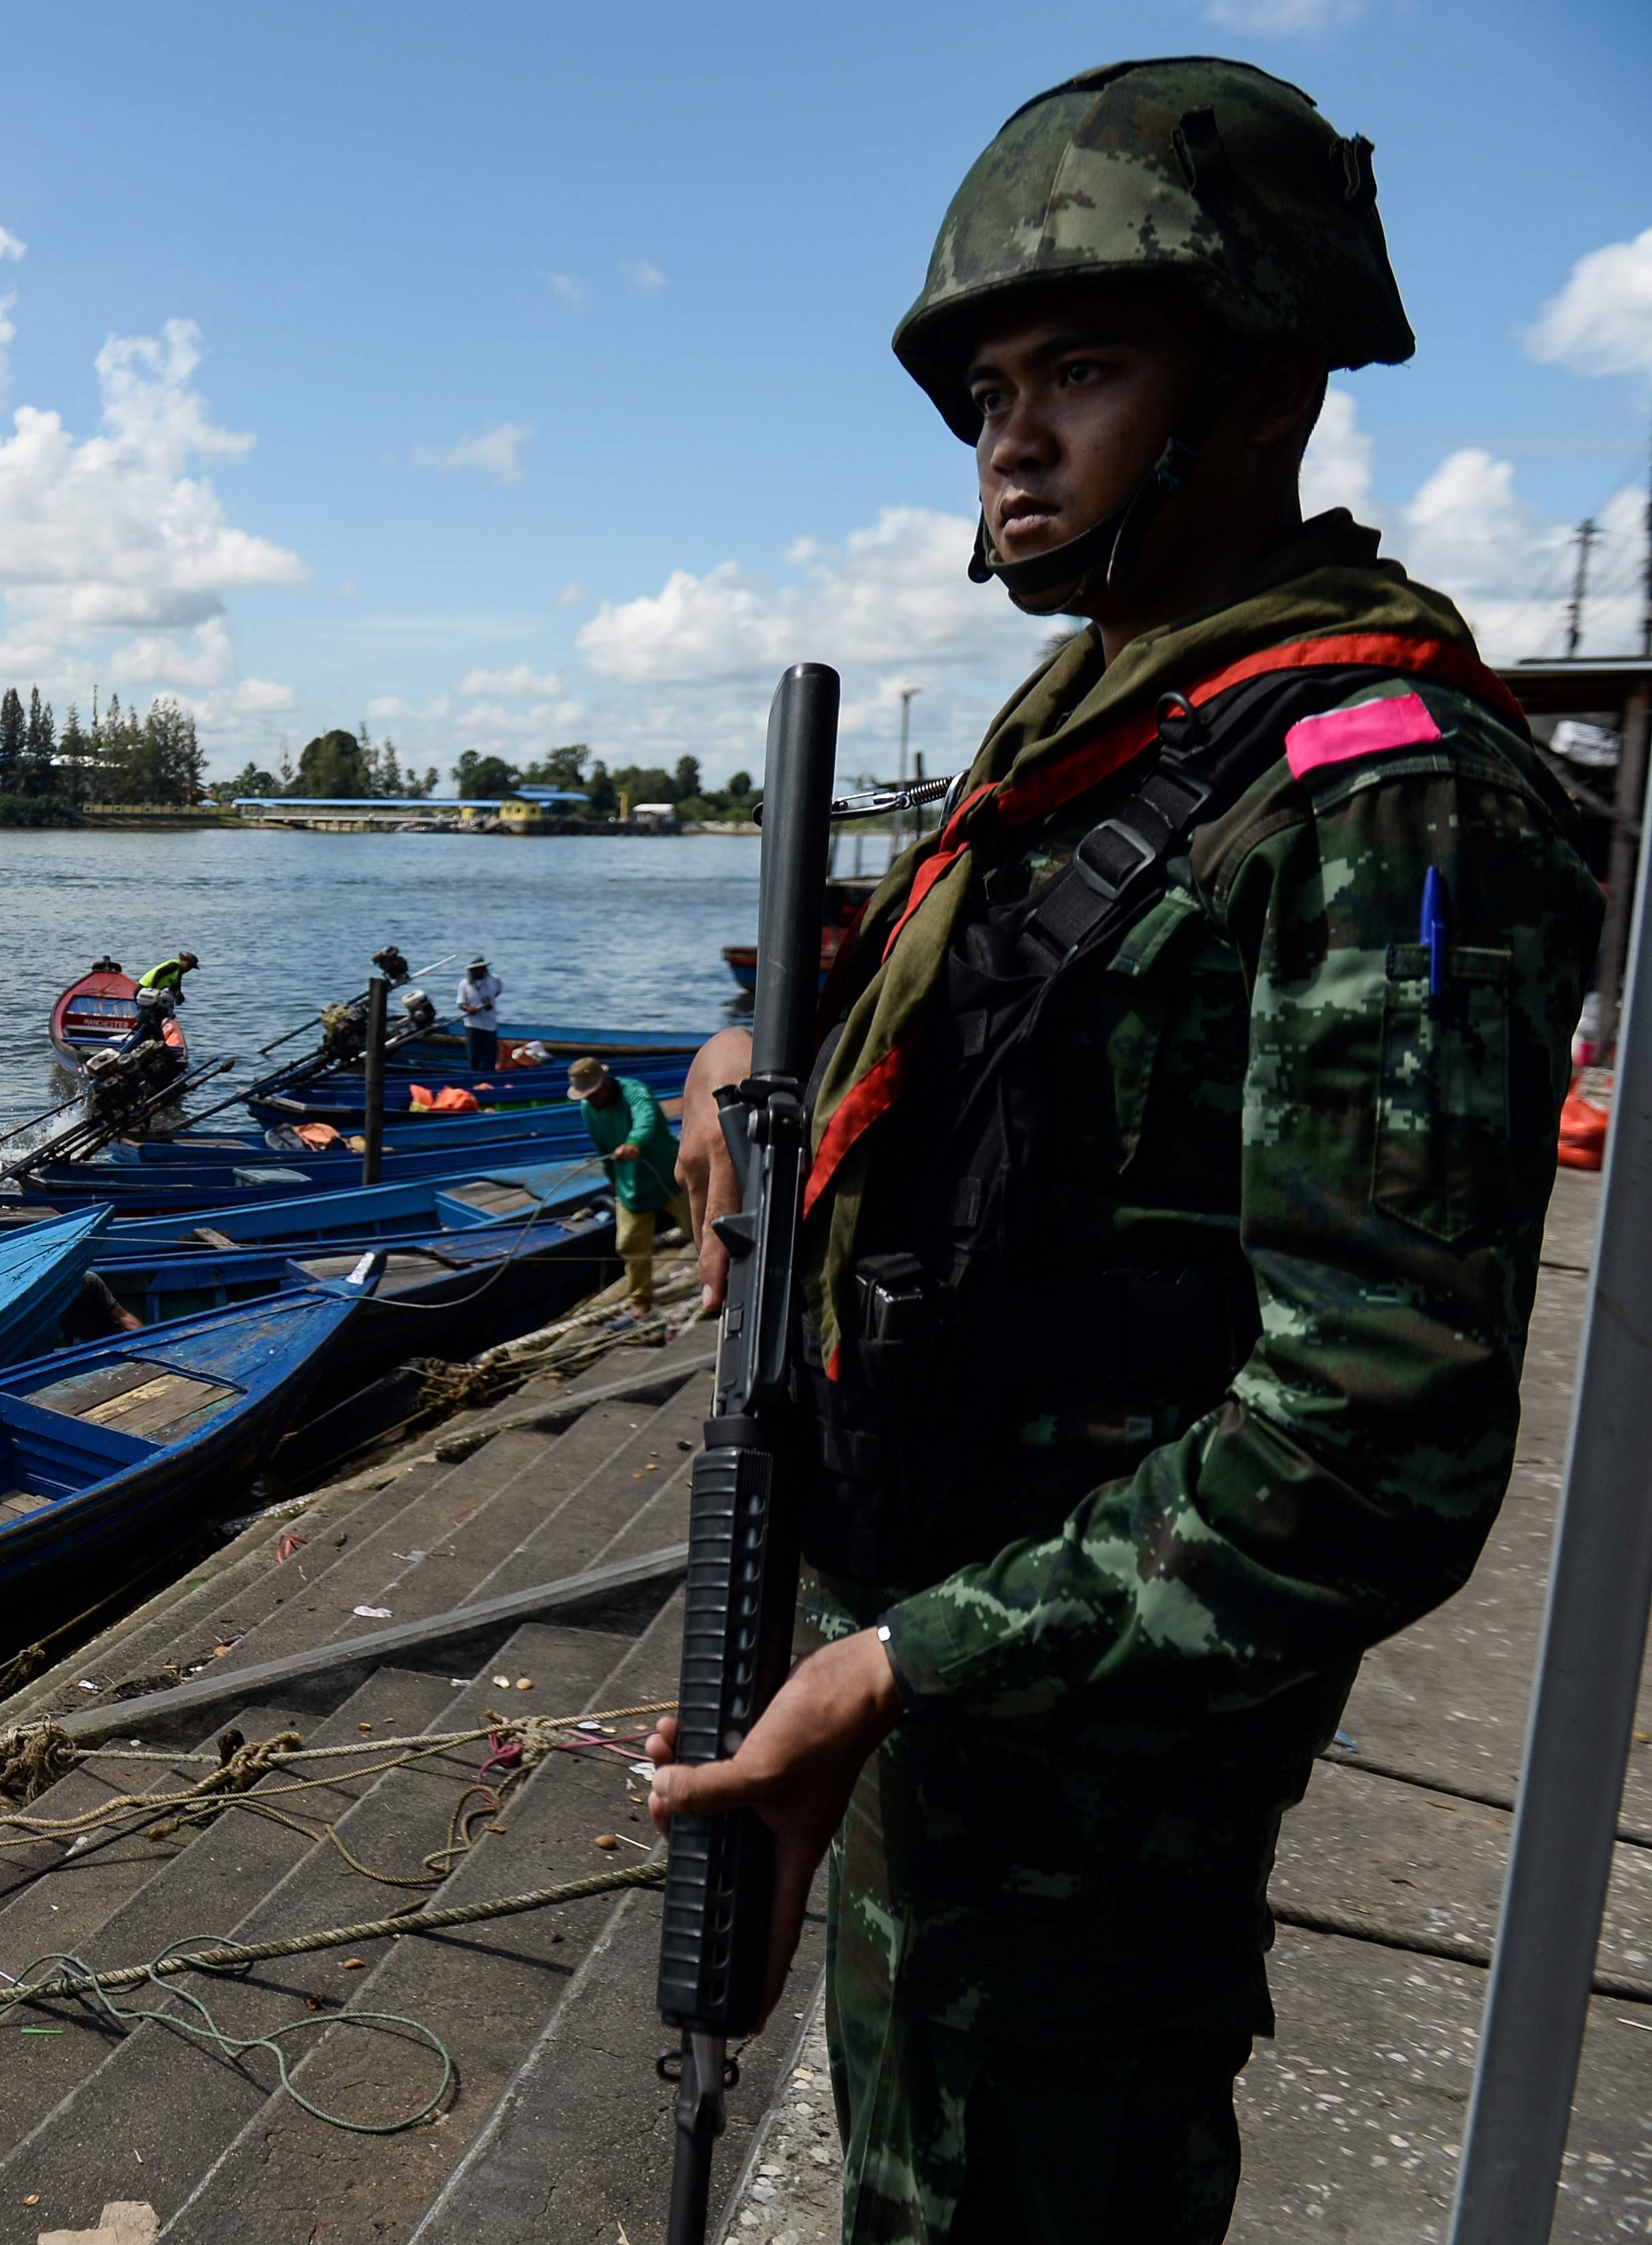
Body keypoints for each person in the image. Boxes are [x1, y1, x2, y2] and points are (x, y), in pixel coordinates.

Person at [641, 59, 1600, 2244]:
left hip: (1080, 1776)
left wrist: (897, 1666)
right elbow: (982, 1015)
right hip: (944, 1706)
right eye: (989, 391)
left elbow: (1373, 1441)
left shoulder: (1384, 798)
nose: (1010, 440)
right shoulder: (1119, 720)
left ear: (1265, 386)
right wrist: (738, 1054)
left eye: (1080, 370)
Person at [568, 1055, 685, 1320]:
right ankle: (641, 1301)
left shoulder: (634, 1091)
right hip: (632, 1185)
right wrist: (611, 1177)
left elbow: (647, 1118)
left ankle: (722, 1275)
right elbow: (601, 1144)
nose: (591, 1100)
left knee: (699, 1228)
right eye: (586, 1096)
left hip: (669, 1175)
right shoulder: (588, 1109)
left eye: (594, 1093)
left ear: (605, 1083)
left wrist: (635, 1142)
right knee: (630, 1244)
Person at [455, 956, 504, 1070]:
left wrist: (489, 1003)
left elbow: (497, 992)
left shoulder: (494, 980)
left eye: (483, 968)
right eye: (477, 970)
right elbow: (460, 1003)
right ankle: (474, 1076)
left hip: (490, 1025)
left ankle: (489, 1076)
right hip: (473, 1025)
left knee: (490, 1058)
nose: (481, 971)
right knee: (474, 1057)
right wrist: (469, 1009)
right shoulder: (464, 984)